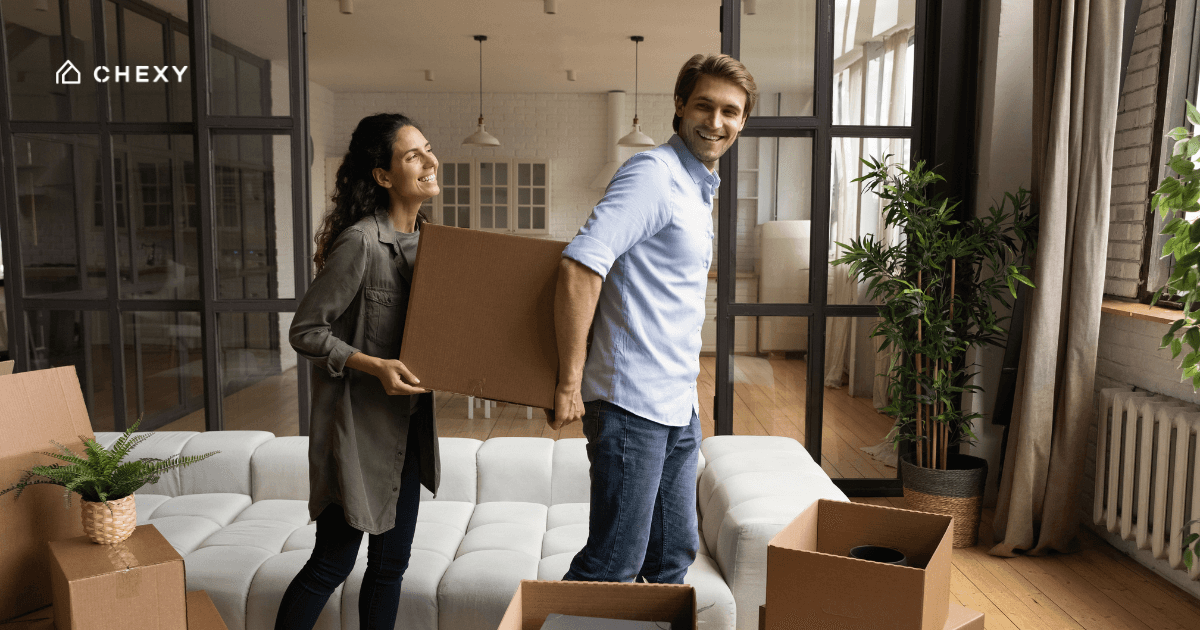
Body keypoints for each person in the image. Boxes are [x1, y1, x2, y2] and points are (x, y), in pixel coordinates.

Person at [551, 54, 757, 584]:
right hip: (629, 402)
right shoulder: (654, 175)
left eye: (730, 112)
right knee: (613, 561)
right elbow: (581, 265)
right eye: (704, 106)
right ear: (679, 107)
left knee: (671, 558)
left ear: (743, 121)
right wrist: (570, 383)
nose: (716, 122)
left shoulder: (697, 187)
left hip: (676, 402)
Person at [276, 113, 441, 630]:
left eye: (428, 149)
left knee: (391, 567)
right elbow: (305, 331)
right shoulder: (360, 243)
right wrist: (373, 365)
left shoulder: (437, 245)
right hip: (356, 429)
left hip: (409, 429)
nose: (429, 162)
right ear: (383, 177)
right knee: (332, 562)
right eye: (412, 155)